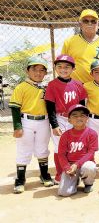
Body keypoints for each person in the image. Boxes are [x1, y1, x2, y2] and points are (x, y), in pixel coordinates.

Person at [9, 57, 54, 194]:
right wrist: (17, 126)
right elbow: (15, 107)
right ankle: (20, 179)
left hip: (44, 121)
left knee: (42, 148)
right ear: (27, 71)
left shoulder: (47, 87)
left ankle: (44, 174)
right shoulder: (21, 87)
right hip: (26, 121)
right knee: (24, 149)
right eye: (34, 69)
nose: (38, 73)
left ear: (45, 73)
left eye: (42, 70)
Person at [44, 55, 87, 184]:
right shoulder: (52, 85)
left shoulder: (78, 85)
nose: (63, 69)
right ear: (55, 68)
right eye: (60, 67)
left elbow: (82, 106)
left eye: (67, 67)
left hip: (75, 119)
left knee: (76, 146)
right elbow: (50, 108)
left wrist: (82, 121)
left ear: (73, 69)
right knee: (59, 148)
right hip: (60, 118)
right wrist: (55, 125)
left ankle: (76, 171)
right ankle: (60, 173)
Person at [62, 9, 99, 83]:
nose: (90, 23)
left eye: (93, 21)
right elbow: (62, 67)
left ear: (98, 25)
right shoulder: (69, 42)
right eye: (86, 21)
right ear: (80, 25)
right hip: (77, 87)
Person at [57, 104, 98, 196]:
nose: (79, 118)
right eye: (75, 115)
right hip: (71, 166)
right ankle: (74, 181)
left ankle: (88, 183)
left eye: (82, 115)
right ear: (69, 120)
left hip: (85, 164)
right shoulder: (65, 135)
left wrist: (77, 164)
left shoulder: (92, 133)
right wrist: (67, 168)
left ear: (87, 118)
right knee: (64, 193)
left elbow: (91, 153)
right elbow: (61, 154)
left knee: (89, 167)